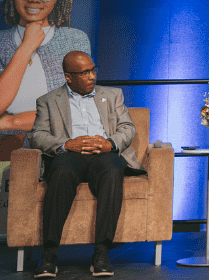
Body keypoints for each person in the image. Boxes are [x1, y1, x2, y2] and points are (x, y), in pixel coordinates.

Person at [30, 50, 143, 279]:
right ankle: (49, 255)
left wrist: (110, 143)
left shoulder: (112, 95)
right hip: (70, 155)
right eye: (84, 73)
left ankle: (101, 253)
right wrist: (66, 144)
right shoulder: (48, 100)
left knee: (112, 171)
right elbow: (37, 135)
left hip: (104, 154)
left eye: (93, 70)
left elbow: (127, 127)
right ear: (68, 77)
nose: (92, 76)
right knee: (61, 173)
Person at [0, 0, 92, 161]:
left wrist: (10, 122)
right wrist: (27, 46)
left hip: (62, 150)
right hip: (6, 151)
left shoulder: (75, 40)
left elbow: (77, 112)